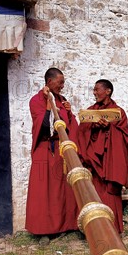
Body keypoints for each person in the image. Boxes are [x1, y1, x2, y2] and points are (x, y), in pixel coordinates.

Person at [25, 67, 79, 243]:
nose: (62, 86)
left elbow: (70, 126)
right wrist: (49, 108)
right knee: (43, 190)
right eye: (60, 82)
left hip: (61, 150)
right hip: (45, 149)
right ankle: (43, 231)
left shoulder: (62, 101)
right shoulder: (36, 100)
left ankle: (64, 225)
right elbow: (40, 127)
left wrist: (69, 113)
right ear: (49, 81)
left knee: (62, 190)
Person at [77, 79, 128, 234]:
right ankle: (95, 230)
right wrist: (93, 126)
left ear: (108, 91)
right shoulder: (90, 111)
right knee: (94, 194)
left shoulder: (118, 112)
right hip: (94, 163)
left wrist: (110, 127)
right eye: (93, 90)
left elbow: (124, 136)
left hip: (109, 162)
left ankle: (113, 229)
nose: (94, 93)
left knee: (110, 195)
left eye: (97, 90)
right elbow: (81, 133)